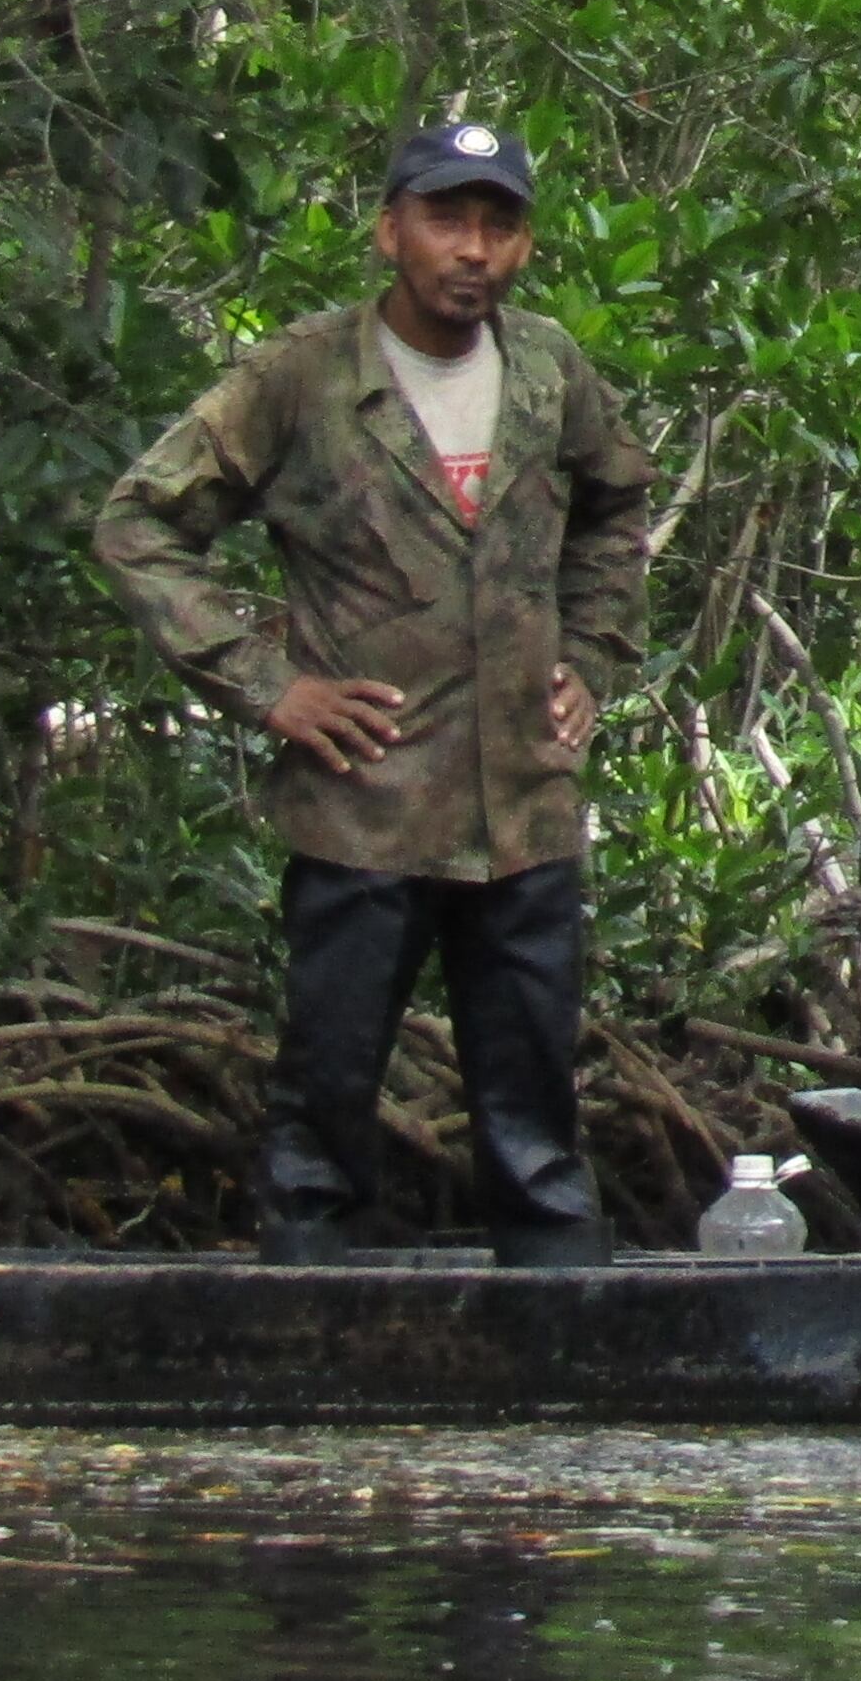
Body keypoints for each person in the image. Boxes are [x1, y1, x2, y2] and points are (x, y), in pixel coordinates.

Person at [93, 118, 652, 1267]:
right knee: (327, 1108)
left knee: (538, 1126)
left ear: (525, 246)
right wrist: (269, 685)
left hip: (525, 810)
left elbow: (614, 508)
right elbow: (139, 525)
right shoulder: (303, 375)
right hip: (366, 804)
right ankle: (308, 1348)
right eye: (446, 220)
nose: (472, 251)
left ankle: (568, 1359)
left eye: (499, 226)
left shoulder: (549, 370)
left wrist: (591, 659)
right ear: (389, 229)